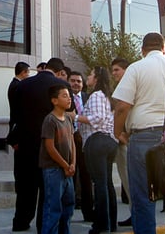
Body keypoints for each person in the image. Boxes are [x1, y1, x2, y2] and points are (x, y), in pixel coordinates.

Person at [113, 32, 165, 234]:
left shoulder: (136, 67)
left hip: (143, 137)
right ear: (164, 48)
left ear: (143, 50)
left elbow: (122, 106)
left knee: (142, 196)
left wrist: (118, 132)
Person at [8, 57, 70, 233]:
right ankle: (43, 225)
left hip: (26, 143)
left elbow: (15, 115)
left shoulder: (23, 85)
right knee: (47, 190)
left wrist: (14, 139)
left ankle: (20, 222)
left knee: (26, 187)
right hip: (51, 145)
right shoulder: (60, 87)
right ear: (59, 72)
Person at [76, 66, 118, 234]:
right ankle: (110, 223)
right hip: (108, 142)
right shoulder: (108, 97)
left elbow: (97, 119)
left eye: (91, 74)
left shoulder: (96, 96)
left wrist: (76, 117)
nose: (88, 77)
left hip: (97, 141)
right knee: (107, 183)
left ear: (97, 78)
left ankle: (101, 224)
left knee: (100, 184)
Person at [40, 84, 76, 234]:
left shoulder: (68, 118)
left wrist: (73, 164)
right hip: (53, 169)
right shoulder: (50, 120)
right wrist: (65, 165)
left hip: (68, 170)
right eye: (64, 96)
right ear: (54, 100)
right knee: (53, 208)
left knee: (68, 206)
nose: (69, 99)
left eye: (69, 95)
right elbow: (50, 147)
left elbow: (72, 142)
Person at [109, 56, 131, 227]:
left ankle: (137, 214)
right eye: (112, 70)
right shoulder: (120, 86)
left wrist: (119, 133)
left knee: (130, 180)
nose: (113, 73)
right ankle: (134, 212)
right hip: (123, 139)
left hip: (127, 139)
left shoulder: (129, 84)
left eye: (117, 69)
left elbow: (123, 110)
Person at [68, 70, 92, 223]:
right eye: (73, 81)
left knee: (86, 177)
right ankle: (69, 211)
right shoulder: (65, 97)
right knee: (71, 176)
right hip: (70, 141)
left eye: (79, 81)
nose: (76, 83)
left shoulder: (88, 98)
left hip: (85, 142)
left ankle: (88, 212)